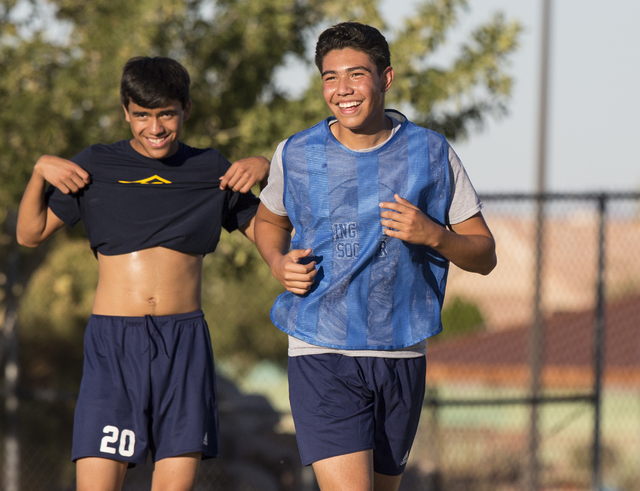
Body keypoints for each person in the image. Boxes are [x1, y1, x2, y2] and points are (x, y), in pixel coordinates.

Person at [254, 22, 497, 491]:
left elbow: (484, 254)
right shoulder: (296, 153)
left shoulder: (432, 152)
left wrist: (434, 235)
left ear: (385, 79)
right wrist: (275, 262)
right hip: (321, 348)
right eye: (330, 77)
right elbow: (269, 221)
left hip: (402, 352)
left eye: (355, 75)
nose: (341, 90)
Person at [16, 56, 269, 491]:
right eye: (142, 116)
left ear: (186, 109)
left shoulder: (211, 170)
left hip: (184, 342)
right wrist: (40, 171)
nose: (154, 128)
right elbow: (30, 233)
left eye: (166, 114)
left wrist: (270, 169)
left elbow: (269, 235)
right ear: (126, 112)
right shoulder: (96, 165)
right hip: (113, 344)